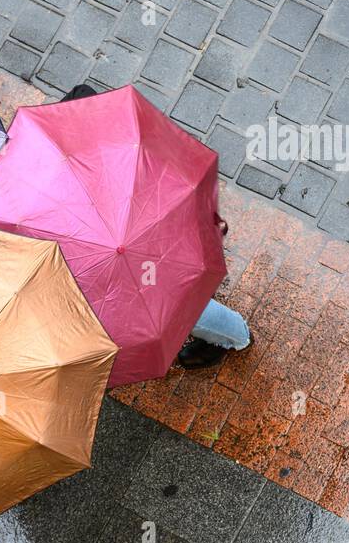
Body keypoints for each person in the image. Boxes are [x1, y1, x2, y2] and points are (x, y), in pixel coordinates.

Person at [60, 81, 250, 370]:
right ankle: (222, 318)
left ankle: (236, 336)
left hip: (149, 254)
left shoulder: (84, 177)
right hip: (164, 230)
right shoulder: (122, 144)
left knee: (180, 306)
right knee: (181, 293)